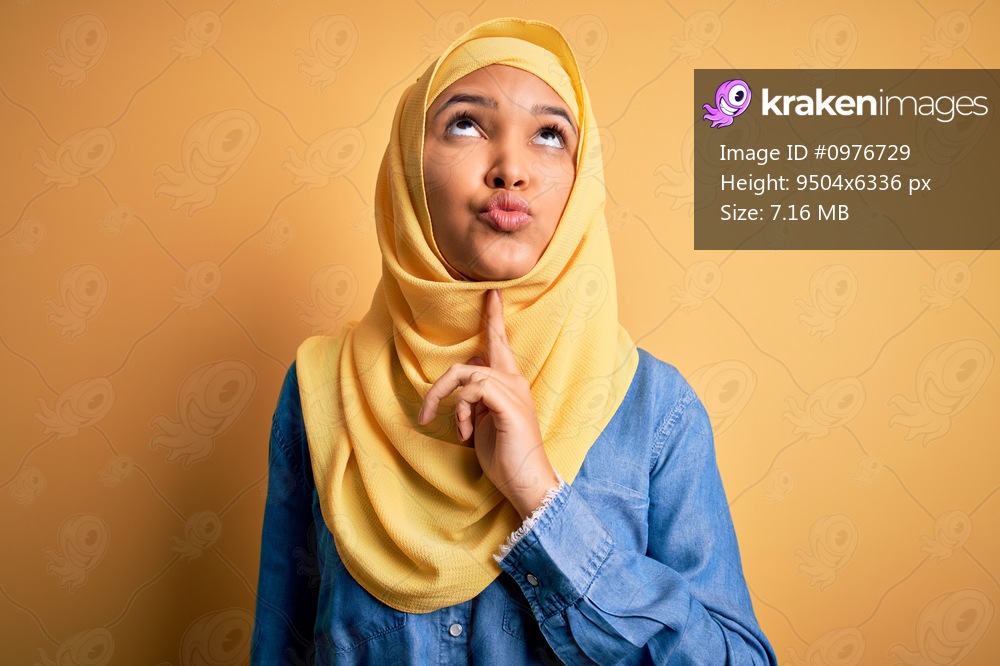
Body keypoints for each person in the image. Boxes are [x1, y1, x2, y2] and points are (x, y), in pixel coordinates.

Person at [252, 17, 776, 665]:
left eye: (550, 136)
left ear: (582, 186)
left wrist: (538, 494)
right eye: (467, 124)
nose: (511, 170)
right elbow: (282, 648)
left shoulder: (656, 411)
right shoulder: (319, 388)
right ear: (407, 169)